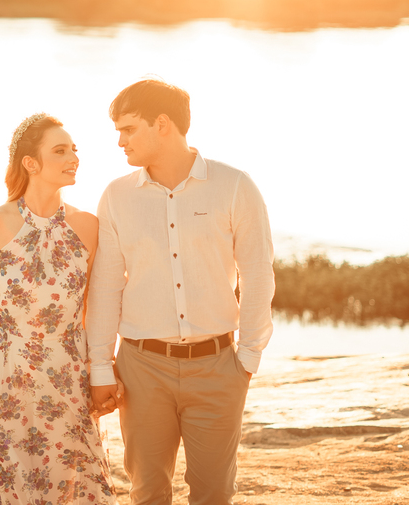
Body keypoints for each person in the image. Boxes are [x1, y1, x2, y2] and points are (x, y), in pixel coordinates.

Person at [87, 80, 275, 505]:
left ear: (162, 124)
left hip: (218, 368)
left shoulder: (234, 186)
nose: (120, 141)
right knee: (147, 493)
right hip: (141, 369)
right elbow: (106, 286)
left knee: (214, 494)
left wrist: (247, 358)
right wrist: (100, 366)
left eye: (129, 129)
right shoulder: (116, 196)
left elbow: (258, 274)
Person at [0, 113, 116, 504]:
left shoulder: (88, 226)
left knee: (81, 486)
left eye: (74, 150)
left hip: (69, 375)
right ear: (30, 163)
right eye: (60, 151)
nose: (73, 158)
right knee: (14, 485)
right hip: (6, 378)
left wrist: (102, 371)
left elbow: (94, 308)